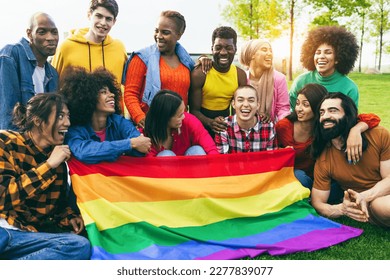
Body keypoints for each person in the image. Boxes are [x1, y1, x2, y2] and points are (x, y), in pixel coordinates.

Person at [0, 93, 91, 260]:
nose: (68, 123)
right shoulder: (5, 141)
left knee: (79, 245)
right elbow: (3, 196)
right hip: (2, 229)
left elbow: (56, 209)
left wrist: (69, 218)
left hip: (26, 238)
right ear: (38, 120)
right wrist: (47, 166)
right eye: (60, 116)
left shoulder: (59, 164)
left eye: (68, 116)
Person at [276, 84, 380, 191]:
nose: (299, 109)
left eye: (305, 105)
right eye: (297, 103)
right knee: (301, 178)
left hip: (321, 178)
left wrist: (356, 130)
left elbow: (373, 118)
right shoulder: (284, 127)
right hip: (295, 176)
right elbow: (270, 153)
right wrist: (282, 153)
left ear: (318, 106)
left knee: (341, 187)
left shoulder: (325, 126)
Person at [311, 92, 390, 228]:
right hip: (370, 207)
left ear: (348, 115)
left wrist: (365, 196)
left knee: (380, 205)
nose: (325, 116)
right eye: (322, 112)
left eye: (333, 110)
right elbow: (318, 203)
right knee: (379, 206)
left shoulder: (378, 135)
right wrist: (341, 209)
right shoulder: (324, 158)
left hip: (380, 194)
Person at [61, 67, 151, 164]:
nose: (112, 95)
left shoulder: (119, 122)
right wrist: (129, 144)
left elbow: (141, 148)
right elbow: (84, 152)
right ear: (88, 98)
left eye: (110, 91)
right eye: (104, 92)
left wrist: (110, 150)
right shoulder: (75, 129)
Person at [123, 10, 194, 128]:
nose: (159, 36)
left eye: (165, 32)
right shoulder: (142, 58)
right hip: (151, 127)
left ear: (179, 35)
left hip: (179, 127)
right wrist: (141, 118)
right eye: (156, 30)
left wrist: (203, 58)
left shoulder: (187, 62)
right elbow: (130, 94)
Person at [0, 12, 59, 130]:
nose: (50, 38)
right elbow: (8, 115)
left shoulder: (52, 73)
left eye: (54, 32)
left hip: (40, 144)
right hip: (14, 143)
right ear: (29, 34)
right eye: (42, 32)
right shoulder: (11, 55)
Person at [189, 26, 247, 137]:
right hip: (201, 125)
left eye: (229, 47)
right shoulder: (200, 74)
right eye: (218, 47)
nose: (223, 52)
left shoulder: (240, 75)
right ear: (212, 49)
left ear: (235, 49)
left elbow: (237, 110)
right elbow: (193, 111)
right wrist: (210, 122)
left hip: (225, 125)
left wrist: (232, 127)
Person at [51, 0, 126, 83]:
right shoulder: (66, 47)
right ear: (89, 15)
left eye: (108, 19)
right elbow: (52, 85)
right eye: (99, 16)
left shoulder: (119, 48)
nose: (103, 23)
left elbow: (126, 85)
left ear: (114, 22)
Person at [289, 26, 359, 109]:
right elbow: (291, 111)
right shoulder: (301, 81)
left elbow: (350, 118)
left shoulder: (349, 88)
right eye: (318, 53)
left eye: (328, 52)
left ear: (338, 58)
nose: (321, 56)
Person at [144, 90, 219, 157]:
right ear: (165, 118)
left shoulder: (189, 120)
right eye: (179, 115)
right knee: (166, 156)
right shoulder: (146, 135)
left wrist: (216, 164)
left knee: (197, 150)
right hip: (163, 169)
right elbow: (148, 163)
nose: (183, 117)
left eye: (183, 112)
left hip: (188, 167)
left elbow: (209, 145)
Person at [239, 39, 290, 123]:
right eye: (264, 50)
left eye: (270, 50)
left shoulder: (279, 78)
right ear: (252, 55)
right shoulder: (241, 78)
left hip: (270, 128)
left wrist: (284, 122)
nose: (270, 53)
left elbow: (283, 108)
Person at [215, 85, 277, 154]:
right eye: (240, 100)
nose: (246, 104)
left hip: (261, 165)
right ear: (233, 104)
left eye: (251, 100)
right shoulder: (223, 127)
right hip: (233, 165)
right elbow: (223, 161)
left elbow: (271, 159)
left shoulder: (268, 127)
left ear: (258, 105)